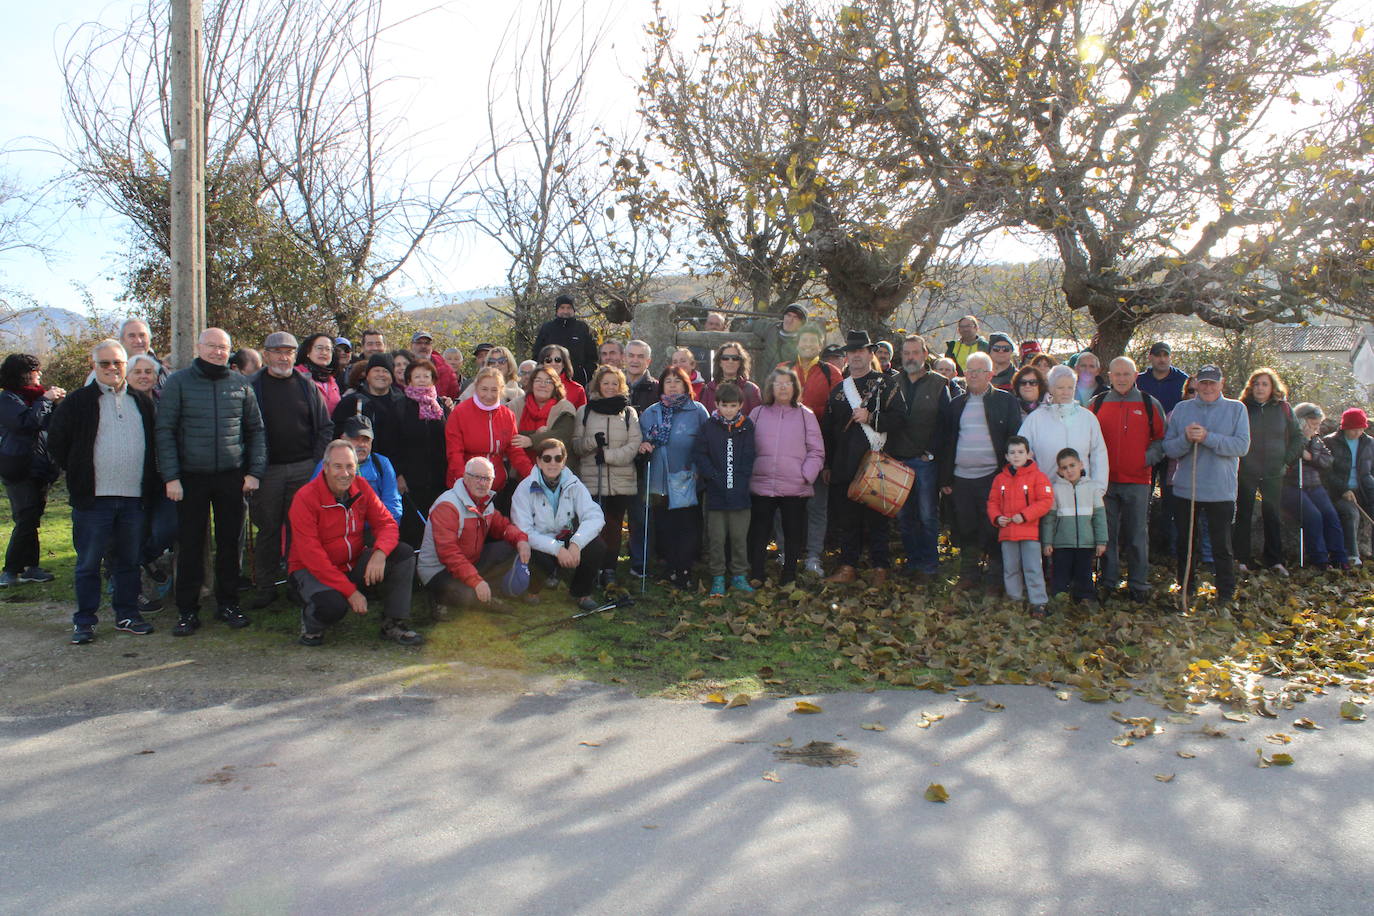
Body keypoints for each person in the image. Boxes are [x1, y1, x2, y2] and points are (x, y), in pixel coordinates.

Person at [48, 340, 161, 642]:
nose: (112, 368)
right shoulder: (78, 402)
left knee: (128, 561)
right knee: (88, 563)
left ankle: (126, 615)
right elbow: (57, 442)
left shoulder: (142, 402)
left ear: (127, 365)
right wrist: (80, 472)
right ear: (94, 365)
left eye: (118, 363)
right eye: (105, 363)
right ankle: (85, 621)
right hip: (93, 500)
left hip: (133, 499)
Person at [156, 328, 266, 635]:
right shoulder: (179, 382)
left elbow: (255, 430)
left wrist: (253, 472)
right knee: (190, 545)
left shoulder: (240, 384)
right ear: (199, 347)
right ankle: (187, 610)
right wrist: (172, 477)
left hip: (232, 476)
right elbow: (164, 431)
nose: (218, 352)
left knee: (230, 543)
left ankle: (228, 603)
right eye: (212, 346)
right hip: (190, 477)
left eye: (223, 347)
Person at [288, 439, 422, 646]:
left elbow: (387, 523)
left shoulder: (361, 487)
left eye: (350, 466)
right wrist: (350, 592)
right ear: (325, 468)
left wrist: (380, 553)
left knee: (402, 553)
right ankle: (311, 622)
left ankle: (393, 623)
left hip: (352, 561)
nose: (345, 473)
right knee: (333, 606)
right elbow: (312, 556)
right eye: (338, 466)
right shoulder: (305, 498)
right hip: (311, 570)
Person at [248, 331, 333, 607]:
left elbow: (325, 427)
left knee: (301, 531)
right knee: (269, 529)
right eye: (277, 352)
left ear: (295, 356)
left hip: (303, 468)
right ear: (266, 354)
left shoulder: (307, 386)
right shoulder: (252, 386)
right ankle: (265, 586)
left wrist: (316, 463)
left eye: (289, 352)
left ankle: (299, 585)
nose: (283, 357)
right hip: (267, 471)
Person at [1163, 365, 1250, 604]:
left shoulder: (1236, 409)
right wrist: (1186, 439)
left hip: (1220, 490)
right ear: (1197, 384)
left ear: (1222, 384)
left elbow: (1241, 446)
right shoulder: (1182, 409)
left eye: (1213, 383)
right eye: (1204, 383)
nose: (1208, 387)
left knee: (1222, 546)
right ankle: (1186, 587)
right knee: (1185, 543)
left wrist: (1208, 438)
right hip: (1186, 490)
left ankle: (1225, 592)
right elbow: (1169, 448)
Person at [939, 351, 1022, 592]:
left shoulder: (1005, 402)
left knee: (993, 527)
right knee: (966, 529)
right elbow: (947, 443)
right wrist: (945, 478)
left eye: (978, 371)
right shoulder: (956, 404)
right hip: (961, 478)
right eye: (969, 371)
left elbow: (1014, 440)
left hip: (993, 478)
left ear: (990, 374)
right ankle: (969, 575)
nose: (973, 375)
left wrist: (1011, 476)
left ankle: (995, 579)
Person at [1089, 357, 1166, 602]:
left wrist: (1146, 458)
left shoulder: (1148, 403)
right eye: (1117, 374)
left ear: (1135, 376)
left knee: (1136, 534)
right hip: (1106, 482)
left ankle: (1138, 583)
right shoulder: (1097, 404)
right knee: (1107, 534)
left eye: (1126, 374)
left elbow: (1161, 439)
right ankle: (1108, 581)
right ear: (1109, 376)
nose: (1121, 378)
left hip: (1138, 480)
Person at [822, 330, 895, 583]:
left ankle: (880, 568)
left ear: (870, 353)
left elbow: (900, 420)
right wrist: (828, 464)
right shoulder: (838, 390)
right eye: (851, 351)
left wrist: (871, 418)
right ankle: (847, 566)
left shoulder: (887, 384)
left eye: (860, 351)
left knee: (878, 521)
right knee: (847, 520)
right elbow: (829, 431)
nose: (855, 355)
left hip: (877, 462)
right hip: (844, 464)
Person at [876, 334, 949, 581]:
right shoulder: (892, 382)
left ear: (925, 355)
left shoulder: (939, 384)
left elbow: (946, 424)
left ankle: (930, 566)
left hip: (925, 461)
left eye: (915, 352)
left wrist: (933, 453)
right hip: (898, 461)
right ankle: (913, 562)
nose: (910, 357)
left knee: (928, 515)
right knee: (905, 517)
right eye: (906, 353)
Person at [418, 456, 532, 609]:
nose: (483, 483)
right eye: (477, 477)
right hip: (439, 570)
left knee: (512, 547)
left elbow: (503, 526)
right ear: (465, 477)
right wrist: (475, 580)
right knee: (467, 597)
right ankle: (441, 598)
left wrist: (521, 539)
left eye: (487, 479)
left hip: (469, 562)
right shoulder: (448, 505)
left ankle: (481, 591)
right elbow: (448, 554)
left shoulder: (485, 501)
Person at [748, 367, 824, 585]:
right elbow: (746, 445)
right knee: (759, 531)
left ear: (795, 387)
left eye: (787, 383)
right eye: (778, 383)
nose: (782, 387)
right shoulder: (758, 413)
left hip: (794, 485)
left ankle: (789, 573)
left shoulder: (805, 415)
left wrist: (805, 475)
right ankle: (757, 573)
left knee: (793, 533)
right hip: (761, 483)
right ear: (771, 387)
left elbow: (816, 450)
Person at [511, 438, 607, 609]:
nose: (552, 463)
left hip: (565, 537)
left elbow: (594, 516)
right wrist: (557, 549)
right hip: (538, 543)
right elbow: (524, 531)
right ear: (539, 461)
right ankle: (532, 590)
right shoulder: (524, 488)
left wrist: (577, 543)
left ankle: (581, 593)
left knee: (596, 546)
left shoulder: (574, 484)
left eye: (558, 458)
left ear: (564, 461)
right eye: (547, 458)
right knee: (534, 554)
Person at [638, 366, 709, 588]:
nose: (672, 385)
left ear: (686, 384)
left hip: (687, 477)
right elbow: (639, 440)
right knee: (665, 525)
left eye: (677, 381)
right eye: (668, 381)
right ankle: (669, 567)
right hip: (659, 477)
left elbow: (707, 442)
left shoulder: (697, 411)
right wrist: (643, 446)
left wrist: (699, 468)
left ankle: (685, 568)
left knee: (686, 524)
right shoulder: (651, 412)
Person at [573, 365, 642, 587]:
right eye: (606, 383)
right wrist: (594, 442)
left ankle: (609, 568)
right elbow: (576, 446)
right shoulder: (584, 412)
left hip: (620, 481)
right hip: (592, 480)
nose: (610, 387)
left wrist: (609, 455)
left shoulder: (629, 413)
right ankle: (591, 567)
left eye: (615, 383)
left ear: (621, 385)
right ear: (598, 385)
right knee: (592, 527)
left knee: (613, 528)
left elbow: (634, 446)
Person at [0, 353, 64, 588]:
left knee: (32, 518)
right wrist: (46, 400)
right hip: (18, 467)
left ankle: (31, 567)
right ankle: (11, 570)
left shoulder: (35, 398)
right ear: (24, 374)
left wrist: (56, 404)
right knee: (26, 516)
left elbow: (52, 425)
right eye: (36, 371)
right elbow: (27, 423)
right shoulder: (7, 399)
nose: (40, 375)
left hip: (39, 467)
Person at [1234, 367, 1302, 576]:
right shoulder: (1242, 408)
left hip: (1274, 470)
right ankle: (1241, 560)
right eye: (1256, 384)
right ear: (1250, 387)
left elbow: (1298, 438)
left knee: (1272, 514)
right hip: (1247, 470)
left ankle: (1275, 560)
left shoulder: (1283, 408)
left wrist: (1286, 461)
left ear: (1272, 387)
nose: (1260, 388)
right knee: (1243, 514)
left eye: (1264, 384)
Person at [780, 325, 836, 574]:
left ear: (820, 345)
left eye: (814, 342)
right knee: (784, 505)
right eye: (804, 341)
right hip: (785, 449)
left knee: (816, 506)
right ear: (797, 343)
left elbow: (838, 413)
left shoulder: (830, 372)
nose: (808, 345)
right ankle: (784, 552)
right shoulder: (783, 368)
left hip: (818, 448)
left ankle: (814, 556)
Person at [693, 382, 757, 597]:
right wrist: (712, 475)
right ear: (717, 404)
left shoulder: (747, 426)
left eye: (733, 406)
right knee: (716, 538)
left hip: (740, 494)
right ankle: (718, 577)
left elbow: (749, 455)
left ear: (740, 405)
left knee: (739, 537)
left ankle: (739, 575)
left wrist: (740, 479)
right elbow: (700, 454)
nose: (728, 410)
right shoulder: (709, 426)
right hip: (715, 494)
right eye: (724, 405)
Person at [986, 435, 1054, 616]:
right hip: (1007, 532)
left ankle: (1038, 602)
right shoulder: (1000, 479)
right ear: (1007, 457)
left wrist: (1024, 516)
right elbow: (992, 502)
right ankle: (1014, 600)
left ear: (1028, 454)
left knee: (1033, 568)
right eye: (1012, 453)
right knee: (1011, 568)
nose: (1016, 456)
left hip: (1030, 532)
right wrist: (997, 518)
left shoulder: (1038, 477)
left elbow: (1045, 501)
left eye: (1020, 452)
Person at [390, 358, 451, 546]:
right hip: (411, 480)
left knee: (440, 525)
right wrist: (398, 474)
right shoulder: (399, 406)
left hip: (439, 478)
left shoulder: (441, 406)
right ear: (408, 380)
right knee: (414, 528)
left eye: (427, 376)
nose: (423, 380)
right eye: (417, 376)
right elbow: (392, 444)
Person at [444, 366, 532, 494]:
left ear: (501, 390)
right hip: (464, 486)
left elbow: (515, 451)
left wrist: (533, 476)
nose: (489, 395)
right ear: (476, 388)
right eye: (484, 389)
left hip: (495, 487)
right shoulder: (460, 413)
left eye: (494, 390)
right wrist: (464, 483)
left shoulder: (507, 415)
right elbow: (454, 453)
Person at [1020, 365, 1109, 485]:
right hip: (1047, 493)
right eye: (1060, 387)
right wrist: (1034, 486)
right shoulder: (1035, 419)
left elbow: (1099, 455)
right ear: (1050, 388)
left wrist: (1098, 488)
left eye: (1070, 388)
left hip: (1083, 493)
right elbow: (1021, 454)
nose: (1066, 392)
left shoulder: (1088, 418)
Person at [1284, 403, 1346, 569]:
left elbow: (1328, 461)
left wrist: (1311, 457)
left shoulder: (1317, 440)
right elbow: (1285, 462)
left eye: (1318, 425)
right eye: (1313, 424)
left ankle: (1339, 557)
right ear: (1302, 422)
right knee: (1313, 516)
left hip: (1315, 485)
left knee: (1331, 515)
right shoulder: (1289, 438)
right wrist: (1301, 443)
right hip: (1293, 486)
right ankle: (1320, 559)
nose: (1316, 429)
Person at [1042, 447, 1108, 602]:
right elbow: (1049, 519)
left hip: (1086, 543)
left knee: (1083, 573)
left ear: (1081, 464)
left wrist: (1101, 541)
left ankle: (1085, 601)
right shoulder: (1055, 489)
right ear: (1059, 470)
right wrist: (1047, 542)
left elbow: (1099, 517)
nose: (1069, 470)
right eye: (1064, 468)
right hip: (1062, 543)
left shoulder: (1092, 488)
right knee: (1060, 573)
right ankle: (1059, 601)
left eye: (1072, 465)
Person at [317, 415, 402, 521]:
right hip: (336, 529)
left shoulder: (382, 463)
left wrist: (385, 530)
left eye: (366, 440)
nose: (362, 444)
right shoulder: (327, 464)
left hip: (373, 529)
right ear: (343, 438)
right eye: (356, 439)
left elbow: (393, 504)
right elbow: (314, 502)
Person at [1324, 408, 1374, 568]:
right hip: (1339, 492)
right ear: (1345, 427)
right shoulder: (1330, 442)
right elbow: (1326, 473)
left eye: (1361, 428)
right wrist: (1343, 489)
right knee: (1351, 513)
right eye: (1354, 429)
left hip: (1365, 489)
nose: (1358, 432)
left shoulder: (1369, 443)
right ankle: (1353, 555)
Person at [332, 353, 407, 460]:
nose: (381, 374)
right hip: (359, 465)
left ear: (392, 377)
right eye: (376, 370)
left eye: (386, 371)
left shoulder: (402, 402)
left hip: (395, 466)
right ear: (367, 375)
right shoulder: (351, 402)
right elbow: (336, 435)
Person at [511, 366, 577, 466]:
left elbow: (562, 436)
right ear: (531, 384)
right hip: (519, 470)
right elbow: (510, 435)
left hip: (556, 470)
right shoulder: (516, 405)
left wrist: (532, 440)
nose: (543, 385)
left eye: (548, 382)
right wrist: (536, 433)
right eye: (538, 380)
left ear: (555, 386)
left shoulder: (565, 407)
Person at [532, 294, 599, 386]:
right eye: (562, 308)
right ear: (557, 310)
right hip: (550, 380)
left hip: (577, 381)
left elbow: (592, 356)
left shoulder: (582, 328)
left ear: (573, 310)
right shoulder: (547, 328)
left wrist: (587, 374)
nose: (565, 311)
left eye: (569, 308)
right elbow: (537, 354)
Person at [700, 341, 762, 414]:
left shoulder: (752, 390)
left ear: (740, 362)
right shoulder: (709, 390)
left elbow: (757, 420)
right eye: (725, 358)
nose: (730, 361)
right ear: (720, 362)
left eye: (735, 358)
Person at [292, 333, 342, 413]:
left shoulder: (332, 381)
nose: (324, 352)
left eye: (328, 349)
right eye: (319, 348)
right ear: (308, 351)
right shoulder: (296, 375)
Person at [1136, 342, 1189, 415]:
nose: (1162, 359)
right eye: (1158, 355)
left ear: (1171, 357)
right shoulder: (1139, 381)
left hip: (1173, 425)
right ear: (1150, 357)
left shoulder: (1183, 380)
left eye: (1166, 355)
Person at [755, 303, 808, 374]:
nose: (790, 320)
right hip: (765, 381)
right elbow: (754, 325)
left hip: (787, 383)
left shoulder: (804, 342)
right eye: (788, 315)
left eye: (795, 317)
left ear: (802, 323)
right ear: (784, 316)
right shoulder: (772, 328)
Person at [409, 332, 460, 399]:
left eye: (427, 343)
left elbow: (454, 396)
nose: (423, 346)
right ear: (411, 345)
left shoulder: (445, 368)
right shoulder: (403, 365)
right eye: (419, 343)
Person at [537, 343, 587, 408]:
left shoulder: (577, 390)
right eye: (548, 360)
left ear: (564, 364)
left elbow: (582, 416)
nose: (553, 363)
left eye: (558, 360)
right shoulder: (535, 386)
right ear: (542, 364)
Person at [623, 340, 657, 412]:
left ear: (648, 362)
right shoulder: (614, 386)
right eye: (631, 356)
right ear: (624, 358)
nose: (635, 360)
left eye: (640, 357)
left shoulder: (657, 389)